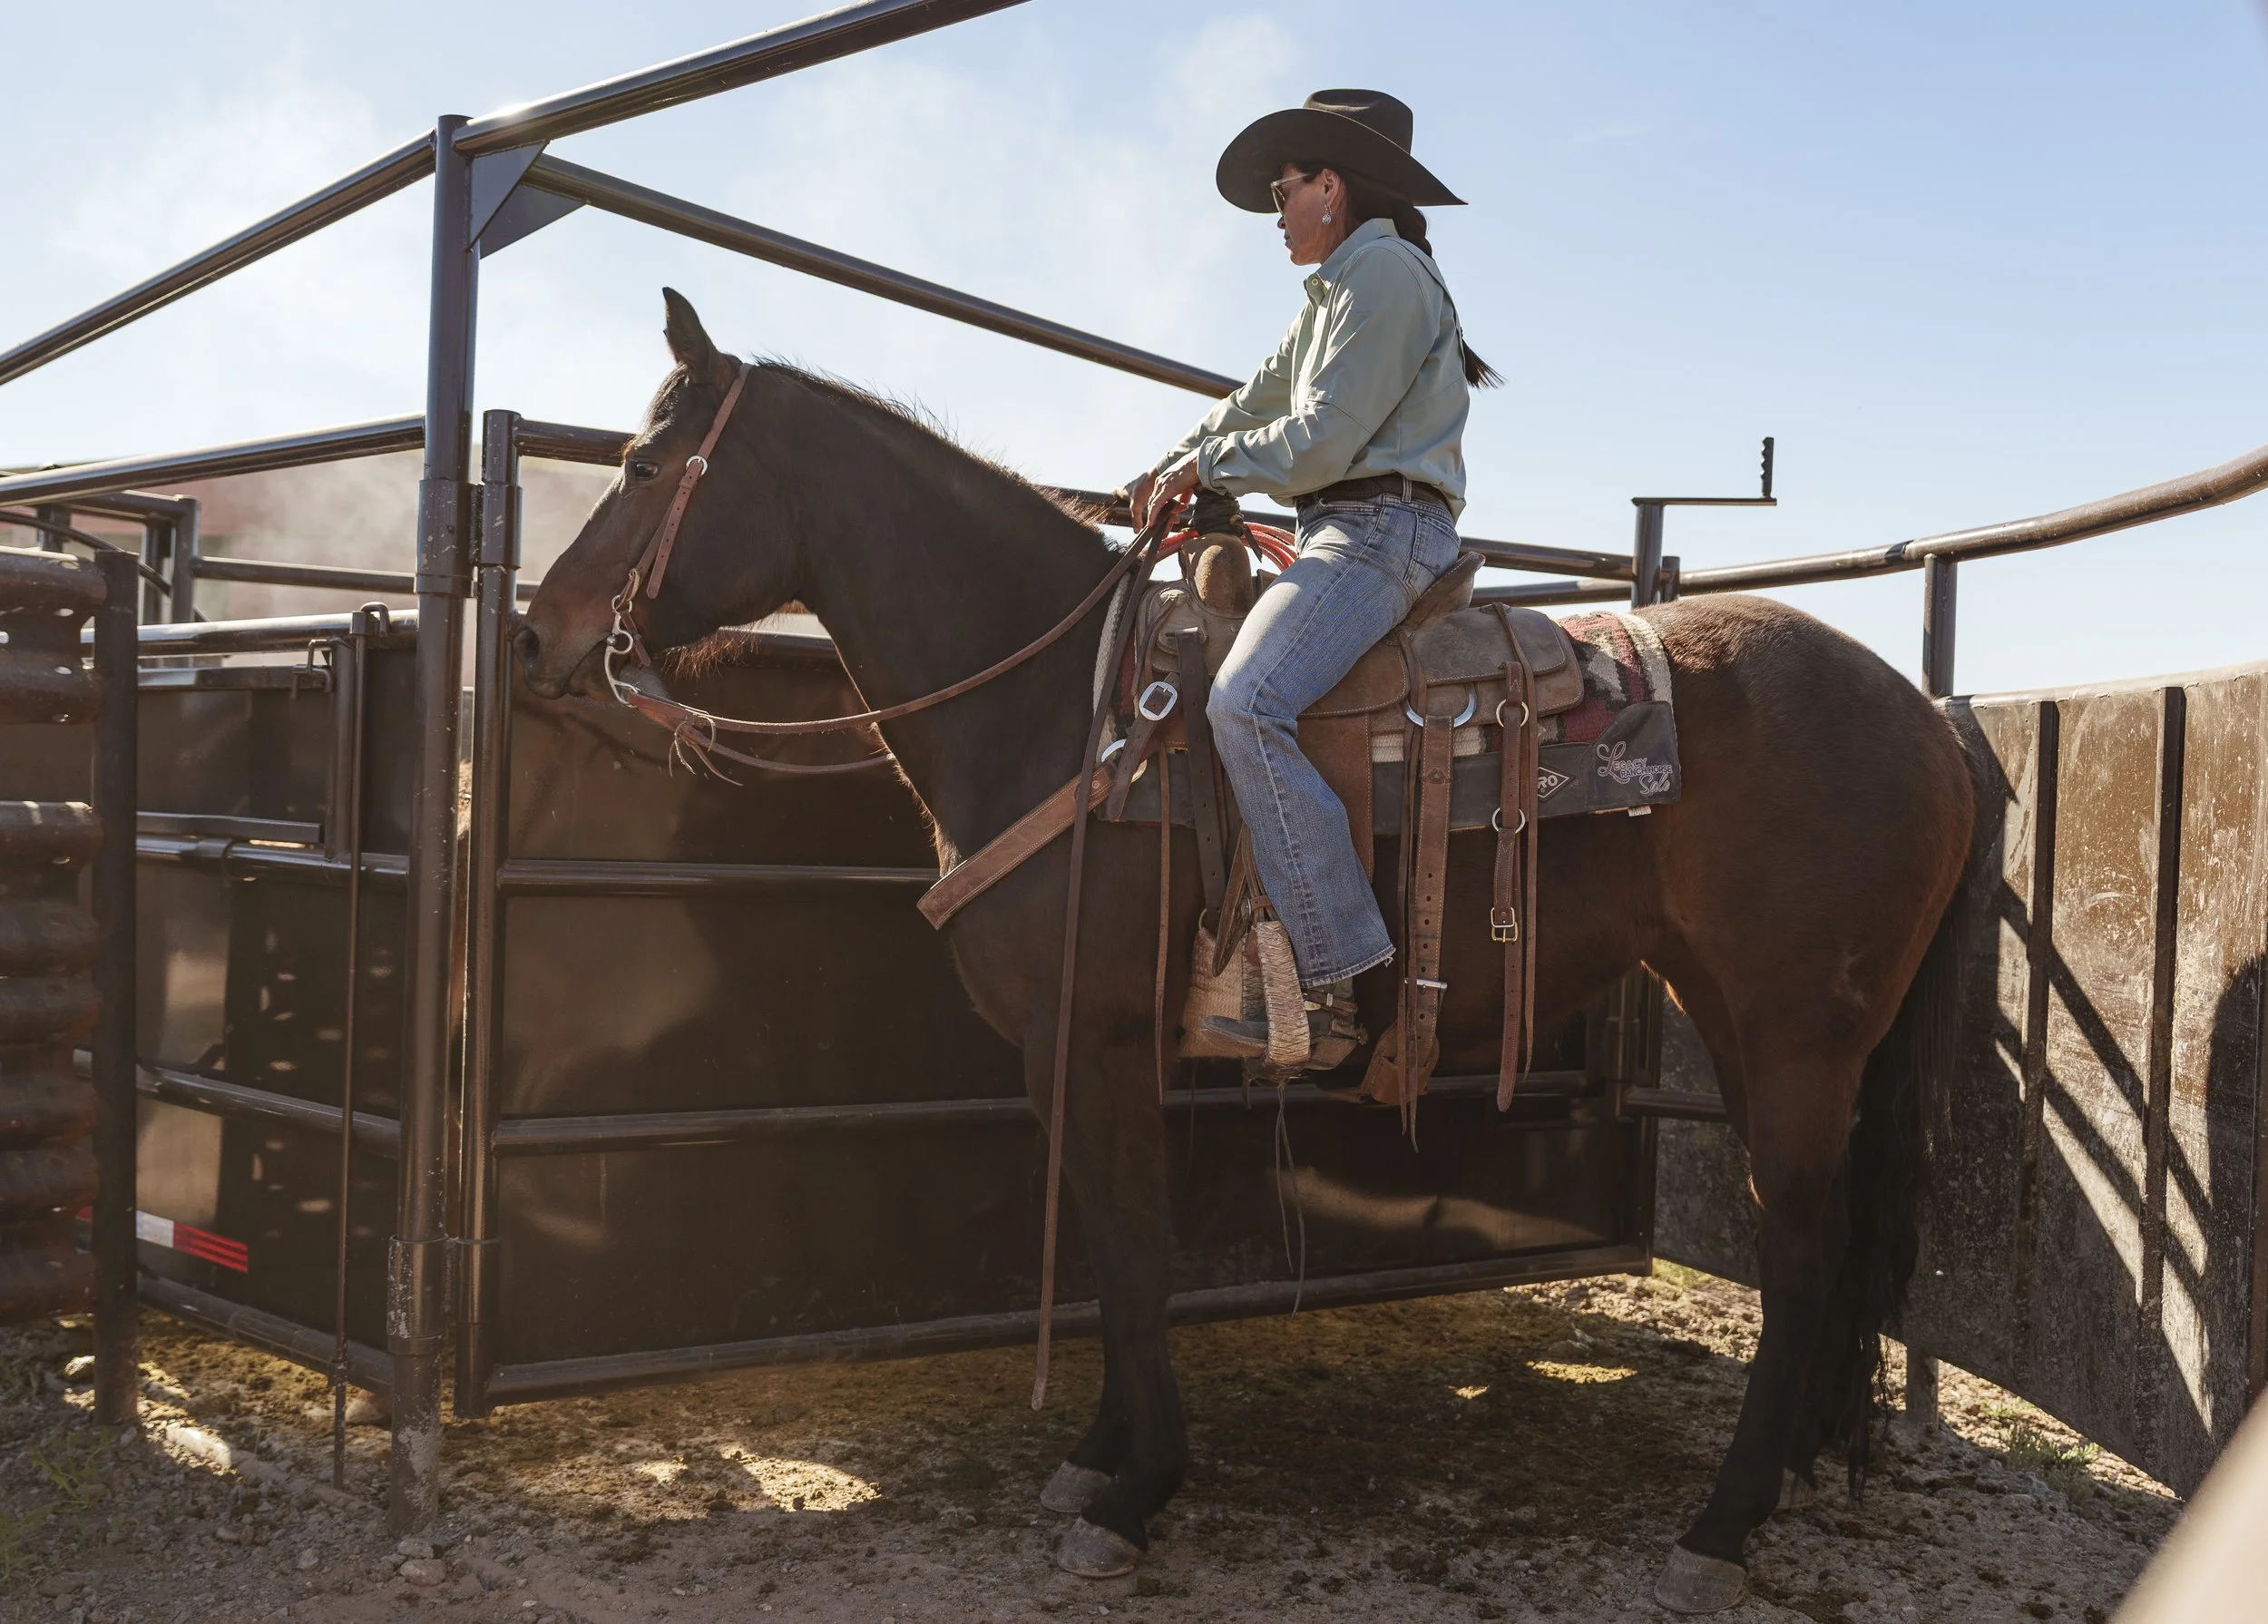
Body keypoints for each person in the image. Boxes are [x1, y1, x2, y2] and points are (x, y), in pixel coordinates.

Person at [1126, 89, 1498, 1065]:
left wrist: (1208, 470)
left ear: (1331, 186)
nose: (1277, 213)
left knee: (1247, 701)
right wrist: (1173, 461)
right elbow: (1250, 402)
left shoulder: (1381, 272)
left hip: (1378, 531)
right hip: (1351, 525)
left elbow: (1319, 439)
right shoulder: (1338, 288)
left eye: (1284, 191)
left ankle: (1334, 974)